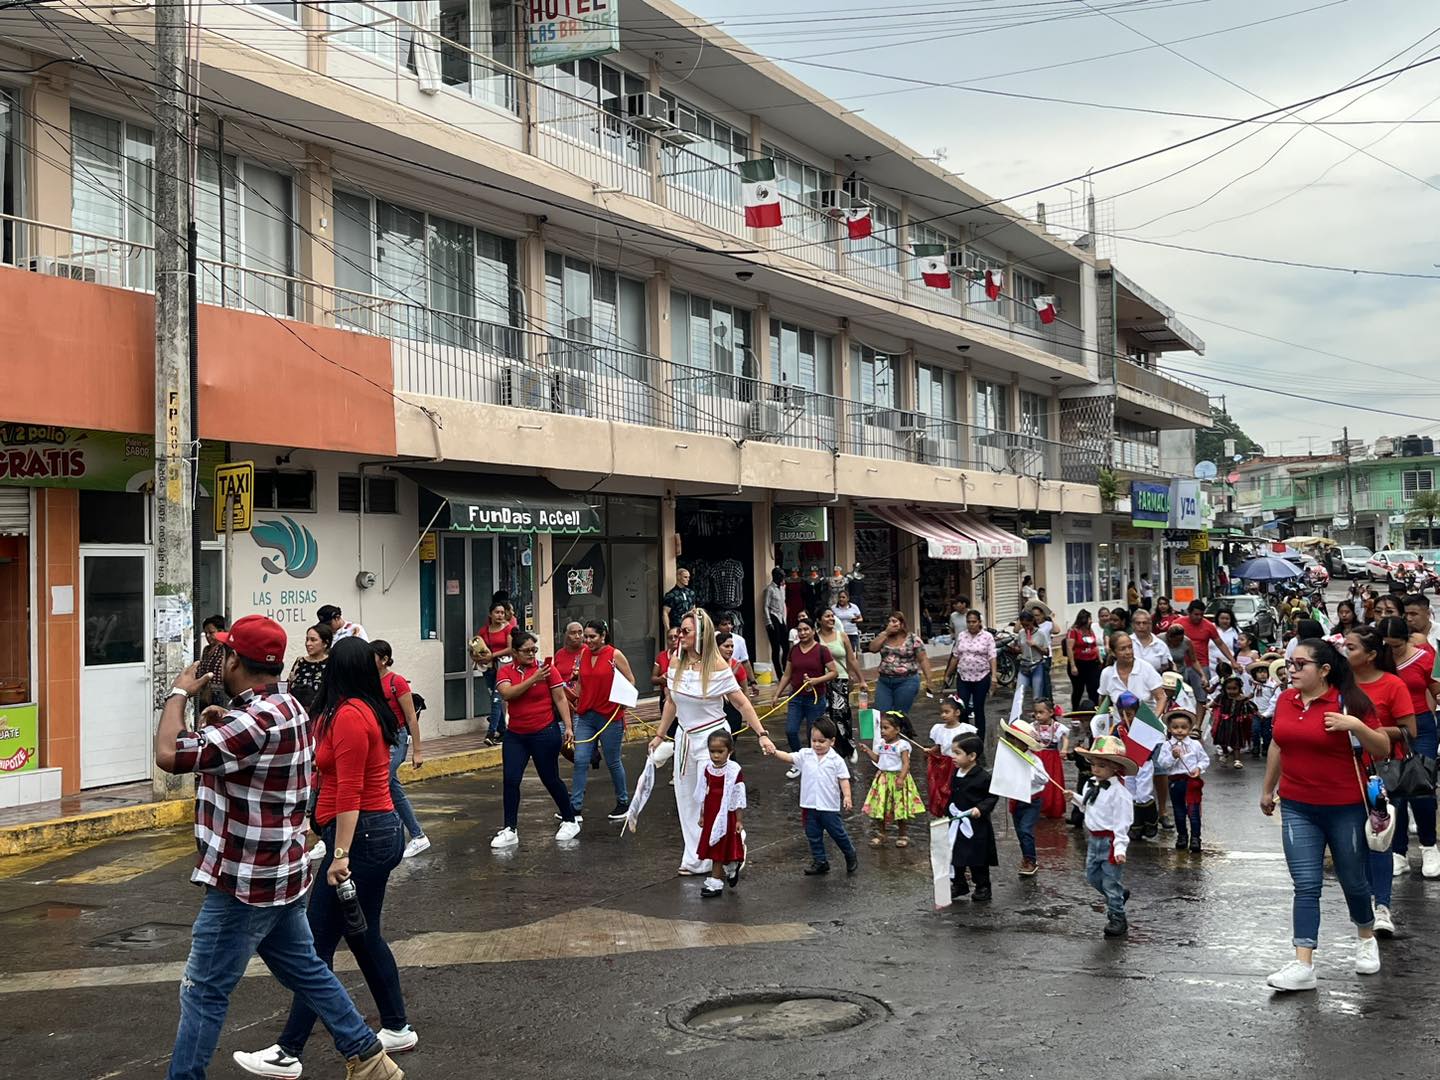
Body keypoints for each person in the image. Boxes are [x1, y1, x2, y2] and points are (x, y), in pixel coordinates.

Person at [154, 617, 402, 1080]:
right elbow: (249, 746)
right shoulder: (288, 706)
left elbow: (169, 754)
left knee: (204, 990)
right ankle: (367, 1056)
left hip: (243, 882)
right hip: (281, 872)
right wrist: (222, 721)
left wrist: (179, 693)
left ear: (234, 662)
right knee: (307, 969)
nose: (219, 658)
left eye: (224, 652)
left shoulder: (254, 721)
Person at [232, 635, 413, 1078]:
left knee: (315, 945)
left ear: (339, 669)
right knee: (363, 935)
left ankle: (289, 1050)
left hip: (363, 835)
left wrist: (339, 855)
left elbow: (351, 791)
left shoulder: (352, 716)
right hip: (371, 832)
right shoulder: (354, 710)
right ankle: (396, 1026)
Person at [1261, 638, 1391, 992]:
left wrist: (1356, 727)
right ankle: (1303, 963)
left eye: (1300, 665)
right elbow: (1278, 743)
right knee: (1305, 884)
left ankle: (1365, 936)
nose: (1292, 670)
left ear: (1324, 670)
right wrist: (1267, 789)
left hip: (1345, 808)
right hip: (1297, 806)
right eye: (1290, 664)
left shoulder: (1351, 702)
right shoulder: (1286, 700)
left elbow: (1384, 747)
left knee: (1353, 880)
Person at [651, 609, 775, 875]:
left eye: (685, 631)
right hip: (685, 737)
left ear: (701, 635)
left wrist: (762, 734)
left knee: (715, 800)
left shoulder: (717, 665)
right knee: (686, 799)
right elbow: (671, 701)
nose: (679, 636)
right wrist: (660, 734)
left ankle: (731, 845)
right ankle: (697, 857)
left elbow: (741, 701)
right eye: (679, 631)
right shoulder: (675, 661)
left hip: (713, 738)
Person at [1346, 624, 1414, 937]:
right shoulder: (1337, 684)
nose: (1345, 653)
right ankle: (1364, 907)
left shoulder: (1392, 685)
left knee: (1379, 838)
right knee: (1353, 843)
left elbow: (1408, 730)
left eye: (1352, 648)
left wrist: (1362, 729)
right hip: (1344, 774)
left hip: (1378, 775)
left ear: (1371, 655)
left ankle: (1382, 907)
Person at [490, 630, 577, 850]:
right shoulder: (506, 671)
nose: (531, 654)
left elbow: (560, 698)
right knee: (510, 780)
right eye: (526, 651)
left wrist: (568, 726)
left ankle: (570, 819)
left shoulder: (547, 670)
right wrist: (533, 679)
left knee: (550, 778)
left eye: (534, 650)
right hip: (516, 735)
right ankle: (510, 828)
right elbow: (508, 694)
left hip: (544, 732)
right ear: (515, 653)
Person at [1379, 614, 1440, 878]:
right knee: (1395, 791)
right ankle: (1399, 852)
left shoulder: (1425, 658)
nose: (1392, 651)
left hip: (1422, 728)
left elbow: (1437, 690)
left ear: (1407, 639)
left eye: (1397, 645)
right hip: (1389, 730)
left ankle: (1429, 846)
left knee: (1421, 785)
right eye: (1387, 646)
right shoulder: (1377, 661)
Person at [1066, 734, 1137, 938]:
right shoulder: (1091, 783)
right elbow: (1090, 805)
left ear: (1115, 767)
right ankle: (1118, 895)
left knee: (1110, 880)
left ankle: (1117, 917)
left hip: (1110, 840)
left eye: (1102, 766)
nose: (1096, 769)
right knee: (1092, 876)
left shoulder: (1120, 793)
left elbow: (1123, 823)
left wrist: (1120, 848)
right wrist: (1076, 799)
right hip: (1093, 838)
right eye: (1094, 764)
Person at [767, 716, 858, 876]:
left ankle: (850, 854)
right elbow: (789, 757)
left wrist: (847, 796)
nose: (817, 744)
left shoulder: (836, 760)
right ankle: (820, 861)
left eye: (821, 741)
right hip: (809, 805)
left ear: (832, 741)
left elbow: (844, 779)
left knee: (838, 833)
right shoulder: (805, 755)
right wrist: (774, 752)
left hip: (828, 806)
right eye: (814, 740)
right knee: (813, 835)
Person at [570, 619, 636, 823]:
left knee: (613, 760)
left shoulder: (614, 655)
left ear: (603, 636)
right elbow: (581, 682)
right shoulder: (583, 654)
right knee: (580, 759)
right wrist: (571, 697)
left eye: (592, 636)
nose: (587, 640)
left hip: (609, 716)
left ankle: (623, 802)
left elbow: (631, 680)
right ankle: (575, 806)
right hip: (585, 715)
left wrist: (622, 702)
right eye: (585, 636)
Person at [372, 640, 428, 859]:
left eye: (373, 657)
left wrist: (418, 750)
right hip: (379, 740)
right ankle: (417, 835)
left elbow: (411, 718)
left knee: (381, 784)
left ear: (384, 659)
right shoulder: (369, 683)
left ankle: (392, 836)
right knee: (393, 788)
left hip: (397, 738)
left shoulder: (397, 682)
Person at [773, 616, 839, 778]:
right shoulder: (794, 650)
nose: (802, 633)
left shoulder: (822, 650)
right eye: (799, 630)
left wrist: (816, 681)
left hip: (815, 699)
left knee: (813, 734)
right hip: (796, 697)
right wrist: (777, 694)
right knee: (791, 730)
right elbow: (787, 675)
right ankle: (798, 761)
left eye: (806, 629)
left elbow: (833, 672)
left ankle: (814, 763)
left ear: (813, 631)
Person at [694, 730, 748, 899]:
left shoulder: (733, 770)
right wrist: (702, 815)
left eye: (720, 751)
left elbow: (738, 796)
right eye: (712, 751)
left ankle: (715, 881)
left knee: (720, 846)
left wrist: (739, 819)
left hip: (727, 814)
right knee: (715, 845)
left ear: (730, 751)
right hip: (711, 813)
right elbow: (704, 792)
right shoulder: (707, 769)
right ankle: (731, 866)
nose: (716, 755)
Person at [859, 712, 925, 847]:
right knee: (879, 807)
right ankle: (882, 833)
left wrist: (901, 778)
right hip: (882, 778)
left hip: (897, 778)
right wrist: (868, 751)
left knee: (899, 807)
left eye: (886, 728)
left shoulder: (903, 745)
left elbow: (906, 763)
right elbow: (878, 759)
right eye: (881, 728)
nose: (882, 731)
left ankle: (902, 834)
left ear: (897, 730)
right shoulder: (881, 744)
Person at [947, 734, 998, 902]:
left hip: (976, 824)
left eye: (957, 753)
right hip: (957, 821)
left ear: (972, 756)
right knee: (956, 854)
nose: (953, 756)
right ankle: (959, 883)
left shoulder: (982, 777)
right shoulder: (956, 773)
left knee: (977, 857)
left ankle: (983, 886)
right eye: (953, 752)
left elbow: (992, 797)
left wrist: (980, 809)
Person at [999, 719, 1050, 877]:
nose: (1012, 743)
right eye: (1010, 739)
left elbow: (1045, 779)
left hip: (1031, 801)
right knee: (1021, 832)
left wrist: (1029, 772)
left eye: (1016, 740)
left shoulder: (1034, 760)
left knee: (1026, 829)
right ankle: (1026, 855)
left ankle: (1031, 861)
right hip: (1016, 799)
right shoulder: (1009, 758)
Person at [1155, 709, 1210, 853]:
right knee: (1179, 811)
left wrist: (1198, 768)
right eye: (1175, 727)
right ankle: (1182, 836)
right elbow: (1162, 764)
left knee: (1194, 811)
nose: (1179, 731)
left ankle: (1196, 838)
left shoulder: (1195, 745)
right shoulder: (1167, 746)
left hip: (1191, 782)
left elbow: (1204, 760)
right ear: (1169, 728)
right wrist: (1172, 757)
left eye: (1183, 727)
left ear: (1190, 728)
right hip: (1175, 782)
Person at [816, 607, 866, 758]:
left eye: (832, 616)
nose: (831, 619)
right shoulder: (815, 638)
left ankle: (848, 746)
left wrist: (861, 680)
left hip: (840, 679)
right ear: (819, 620)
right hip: (822, 680)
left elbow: (852, 659)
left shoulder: (841, 636)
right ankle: (829, 749)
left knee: (841, 714)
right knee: (825, 716)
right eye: (827, 616)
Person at [869, 611, 934, 717]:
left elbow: (923, 659)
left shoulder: (913, 639)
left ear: (902, 624)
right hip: (884, 681)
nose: (891, 624)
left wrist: (929, 680)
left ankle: (903, 732)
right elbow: (872, 648)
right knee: (881, 714)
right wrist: (886, 633)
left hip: (907, 681)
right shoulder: (883, 637)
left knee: (899, 715)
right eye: (889, 622)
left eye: (894, 621)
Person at [945, 610, 998, 740]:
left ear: (979, 622)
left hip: (981, 677)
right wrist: (948, 674)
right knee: (962, 708)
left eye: (974, 622)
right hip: (963, 677)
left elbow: (992, 657)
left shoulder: (987, 637)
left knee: (978, 709)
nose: (971, 624)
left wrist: (994, 676)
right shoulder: (962, 635)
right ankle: (966, 738)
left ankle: (979, 739)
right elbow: (956, 656)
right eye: (968, 622)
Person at [473, 600, 517, 746]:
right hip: (488, 669)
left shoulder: (508, 629)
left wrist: (493, 655)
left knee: (496, 700)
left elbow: (511, 648)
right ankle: (503, 732)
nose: (500, 615)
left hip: (503, 668)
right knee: (494, 699)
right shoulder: (484, 630)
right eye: (497, 612)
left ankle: (491, 733)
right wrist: (478, 657)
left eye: (502, 613)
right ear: (490, 614)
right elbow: (475, 646)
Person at [925, 694, 976, 817]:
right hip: (944, 766)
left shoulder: (965, 729)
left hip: (959, 764)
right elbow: (939, 747)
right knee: (943, 788)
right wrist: (931, 751)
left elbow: (970, 747)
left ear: (957, 712)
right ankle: (944, 809)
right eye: (941, 712)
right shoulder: (939, 729)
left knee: (958, 787)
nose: (943, 715)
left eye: (947, 712)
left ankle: (959, 807)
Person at [1098, 632, 1167, 716]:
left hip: (1147, 724)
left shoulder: (1146, 668)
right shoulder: (1107, 673)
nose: (1128, 652)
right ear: (1113, 652)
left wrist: (1154, 721)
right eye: (1123, 649)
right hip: (1120, 727)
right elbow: (1103, 702)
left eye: (1130, 647)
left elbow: (1161, 697)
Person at [1031, 699, 1069, 820]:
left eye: (1041, 712)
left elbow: (1065, 738)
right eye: (1036, 712)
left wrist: (1064, 749)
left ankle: (1053, 807)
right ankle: (1038, 807)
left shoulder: (1057, 726)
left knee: (1052, 781)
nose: (1038, 715)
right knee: (1036, 780)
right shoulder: (1033, 726)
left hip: (1052, 758)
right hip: (1037, 756)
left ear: (1051, 712)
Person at [1211, 675, 1258, 770]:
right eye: (1228, 689)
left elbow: (1251, 707)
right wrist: (1208, 705)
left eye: (1234, 689)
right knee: (1222, 740)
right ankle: (1225, 753)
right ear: (1225, 689)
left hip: (1236, 724)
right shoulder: (1222, 697)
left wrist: (1257, 714)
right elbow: (1214, 703)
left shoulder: (1242, 699)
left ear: (1239, 688)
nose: (1231, 691)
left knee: (1236, 742)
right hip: (1223, 723)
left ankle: (1237, 760)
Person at [1180, 600, 1233, 682]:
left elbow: (1220, 644)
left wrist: (1232, 661)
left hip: (1202, 664)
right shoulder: (1178, 624)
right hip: (1181, 665)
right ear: (1189, 612)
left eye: (1201, 614)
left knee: (1202, 693)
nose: (1199, 617)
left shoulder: (1209, 626)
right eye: (1196, 614)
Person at [288, 623, 332, 715]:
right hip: (299, 714)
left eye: (313, 640)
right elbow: (289, 685)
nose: (308, 644)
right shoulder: (300, 661)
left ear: (325, 643)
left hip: (322, 715)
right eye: (307, 639)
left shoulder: (331, 663)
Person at [1063, 610, 1103, 711]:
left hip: (1092, 663)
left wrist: (1100, 659)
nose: (1090, 621)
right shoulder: (1073, 631)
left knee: (1094, 688)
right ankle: (1075, 711)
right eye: (1089, 619)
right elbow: (1069, 648)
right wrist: (1073, 665)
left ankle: (1093, 711)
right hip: (1079, 663)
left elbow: (1095, 646)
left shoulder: (1090, 630)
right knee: (1078, 689)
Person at [1011, 608, 1052, 706]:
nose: (1026, 628)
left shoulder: (1040, 634)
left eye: (1028, 625)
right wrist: (1016, 649)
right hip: (1024, 664)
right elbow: (1020, 648)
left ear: (1032, 621)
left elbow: (1046, 652)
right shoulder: (1021, 633)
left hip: (1037, 665)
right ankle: (1016, 717)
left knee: (1037, 696)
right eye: (1023, 625)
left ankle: (1038, 715)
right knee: (1019, 693)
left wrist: (1035, 645)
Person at [195, 615, 229, 708]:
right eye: (206, 633)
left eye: (211, 632)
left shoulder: (225, 649)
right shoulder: (206, 650)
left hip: (221, 695)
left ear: (221, 631)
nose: (208, 636)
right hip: (205, 693)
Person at [551, 620, 586, 708]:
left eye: (580, 632)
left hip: (583, 701)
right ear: (565, 635)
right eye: (573, 633)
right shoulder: (559, 654)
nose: (577, 636)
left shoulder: (588, 651)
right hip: (564, 701)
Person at [716, 613, 756, 689]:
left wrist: (753, 681)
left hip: (736, 678)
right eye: (724, 624)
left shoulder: (739, 640)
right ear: (717, 627)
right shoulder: (711, 640)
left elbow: (745, 661)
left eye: (730, 624)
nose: (728, 627)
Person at [1128, 609, 1171, 673]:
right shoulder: (1126, 642)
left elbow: (1166, 667)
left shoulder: (1160, 645)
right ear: (1133, 625)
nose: (1141, 626)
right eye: (1138, 623)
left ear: (1150, 624)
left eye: (1144, 623)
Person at [763, 567, 789, 675]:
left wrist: (785, 619)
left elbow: (783, 604)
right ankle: (779, 674)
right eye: (781, 576)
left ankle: (785, 668)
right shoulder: (770, 589)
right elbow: (765, 606)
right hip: (773, 617)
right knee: (776, 647)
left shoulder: (782, 588)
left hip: (781, 617)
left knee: (786, 646)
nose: (783, 579)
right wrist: (768, 622)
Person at [651, 626, 682, 701]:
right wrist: (661, 679)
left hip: (682, 695)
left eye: (676, 637)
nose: (673, 639)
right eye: (670, 638)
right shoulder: (661, 656)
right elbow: (653, 679)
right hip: (665, 695)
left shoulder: (687, 655)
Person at [1210, 608, 1241, 674]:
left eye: (1227, 619)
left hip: (1229, 666)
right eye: (1222, 618)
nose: (1224, 621)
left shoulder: (1236, 631)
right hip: (1211, 665)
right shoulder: (1211, 628)